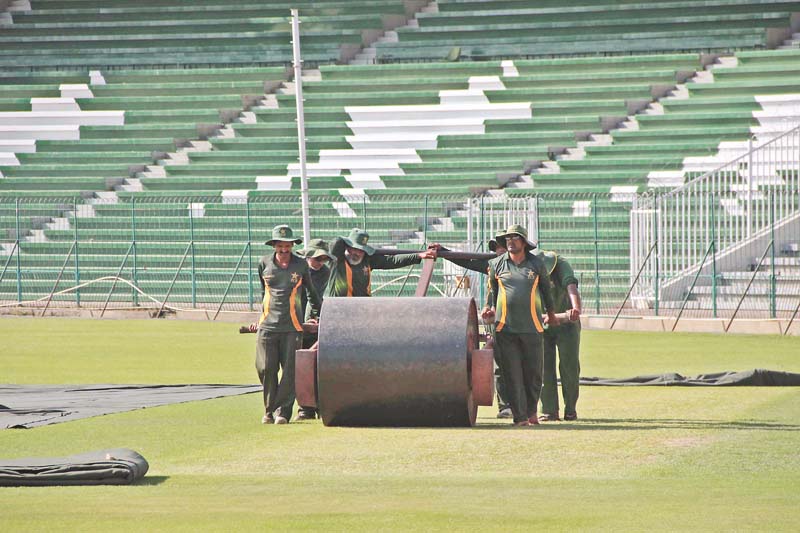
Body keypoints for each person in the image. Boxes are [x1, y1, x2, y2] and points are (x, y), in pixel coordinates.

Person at [481, 224, 558, 427]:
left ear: (523, 242)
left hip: (532, 327)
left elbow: (546, 293)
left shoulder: (536, 264)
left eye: (515, 238)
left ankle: (532, 412)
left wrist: (551, 314)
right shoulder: (496, 264)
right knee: (512, 374)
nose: (510, 241)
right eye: (507, 238)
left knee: (533, 374)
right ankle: (520, 417)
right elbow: (492, 293)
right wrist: (488, 308)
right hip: (505, 329)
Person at [432, 238, 513, 419]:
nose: (498, 251)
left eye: (501, 247)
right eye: (495, 248)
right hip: (496, 318)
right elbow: (465, 261)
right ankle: (505, 405)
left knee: (518, 363)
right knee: (500, 363)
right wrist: (444, 250)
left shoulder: (522, 265)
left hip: (517, 319)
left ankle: (523, 406)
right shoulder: (491, 265)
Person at [250, 224, 321, 425]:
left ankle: (281, 413)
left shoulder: (300, 265)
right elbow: (263, 293)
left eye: (287, 245)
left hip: (292, 327)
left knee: (290, 371)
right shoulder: (263, 263)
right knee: (265, 368)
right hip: (268, 326)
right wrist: (261, 317)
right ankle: (269, 407)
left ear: (292, 245)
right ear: (274, 245)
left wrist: (320, 313)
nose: (283, 249)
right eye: (280, 245)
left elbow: (311, 292)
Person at [534, 250, 582, 422]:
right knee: (543, 367)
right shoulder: (530, 269)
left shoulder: (562, 265)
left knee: (569, 366)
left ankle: (570, 409)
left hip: (567, 323)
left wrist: (575, 309)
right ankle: (548, 410)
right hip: (542, 323)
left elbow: (571, 286)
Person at [325, 227, 436, 297]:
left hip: (364, 307)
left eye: (361, 250)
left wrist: (418, 256)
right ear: (347, 247)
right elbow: (336, 242)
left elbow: (392, 261)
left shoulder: (368, 260)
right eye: (354, 248)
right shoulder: (337, 260)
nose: (357, 253)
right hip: (340, 307)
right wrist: (347, 241)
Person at [295, 238, 331, 421]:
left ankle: (309, 408)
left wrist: (315, 318)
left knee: (311, 364)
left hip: (310, 320)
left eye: (324, 259)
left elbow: (314, 296)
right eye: (317, 258)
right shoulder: (295, 268)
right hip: (291, 319)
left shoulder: (324, 272)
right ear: (308, 255)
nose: (321, 262)